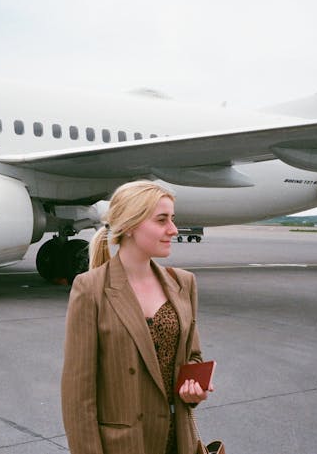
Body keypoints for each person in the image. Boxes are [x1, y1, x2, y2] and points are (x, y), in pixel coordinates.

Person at [61, 180, 213, 454]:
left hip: (178, 442)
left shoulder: (184, 283)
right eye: (162, 220)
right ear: (131, 225)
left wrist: (194, 390)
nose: (173, 229)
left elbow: (193, 357)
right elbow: (78, 396)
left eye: (173, 219)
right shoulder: (91, 288)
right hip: (125, 446)